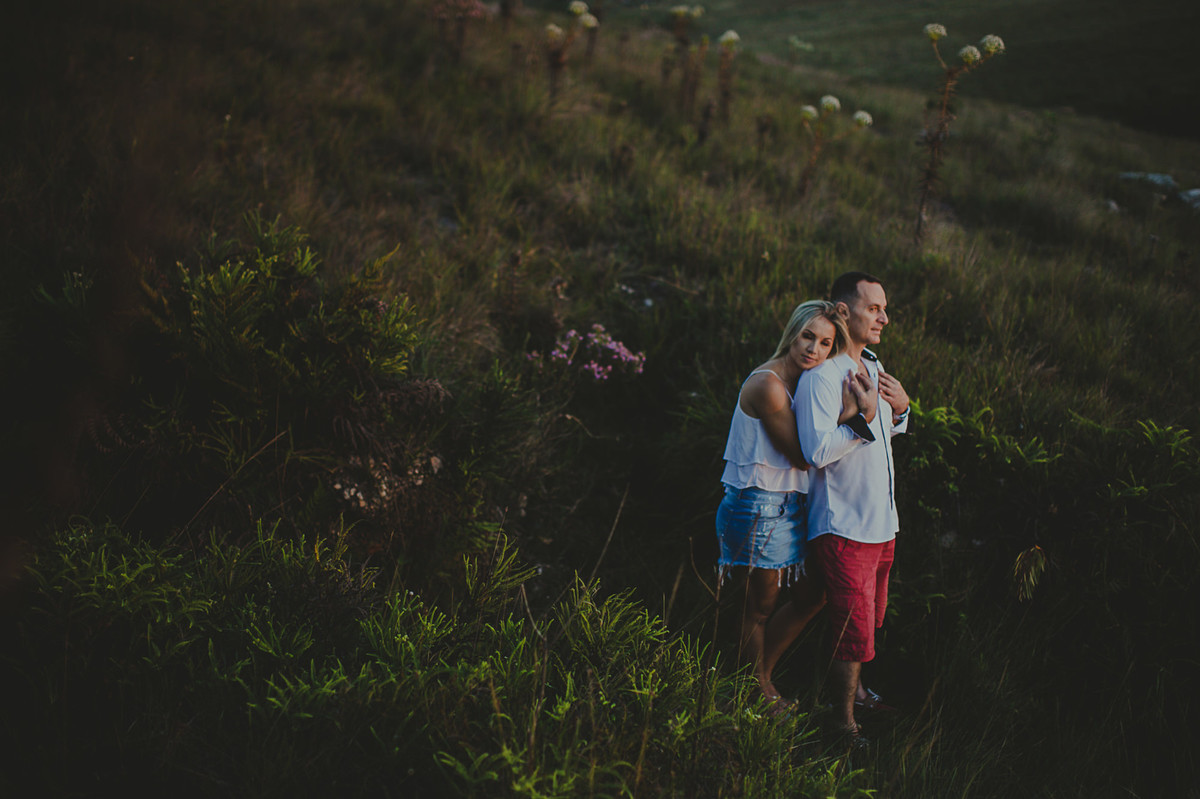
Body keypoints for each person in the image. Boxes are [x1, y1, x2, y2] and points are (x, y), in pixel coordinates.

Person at [715, 300, 861, 708]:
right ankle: (754, 688)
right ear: (792, 333)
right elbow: (802, 455)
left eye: (824, 343)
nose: (813, 349)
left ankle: (758, 674)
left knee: (814, 594)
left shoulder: (806, 383)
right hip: (757, 503)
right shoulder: (769, 385)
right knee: (758, 605)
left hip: (788, 506)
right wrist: (850, 416)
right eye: (807, 336)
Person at [794, 271, 911, 744]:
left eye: (884, 308)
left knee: (868, 619)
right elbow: (815, 451)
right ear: (844, 311)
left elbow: (887, 434)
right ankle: (842, 723)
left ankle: (858, 692)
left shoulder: (876, 364)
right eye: (873, 308)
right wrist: (861, 419)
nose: (884, 316)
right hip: (844, 526)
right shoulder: (821, 378)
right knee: (852, 627)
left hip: (882, 523)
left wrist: (902, 409)